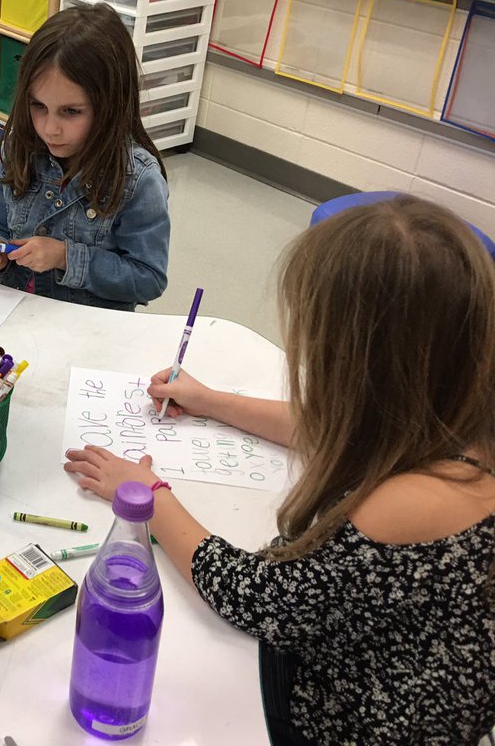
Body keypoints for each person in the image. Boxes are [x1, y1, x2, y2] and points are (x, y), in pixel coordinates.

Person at [63, 196, 495, 745]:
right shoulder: (459, 421)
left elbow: (252, 596)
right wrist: (212, 400)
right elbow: (336, 426)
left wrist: (149, 494)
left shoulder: (412, 502)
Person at [0, 4, 170, 310]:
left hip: (86, 332)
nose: (49, 129)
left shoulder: (137, 179)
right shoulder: (21, 148)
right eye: (38, 106)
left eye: (71, 111)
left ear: (111, 105)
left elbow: (148, 278)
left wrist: (64, 256)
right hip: (14, 316)